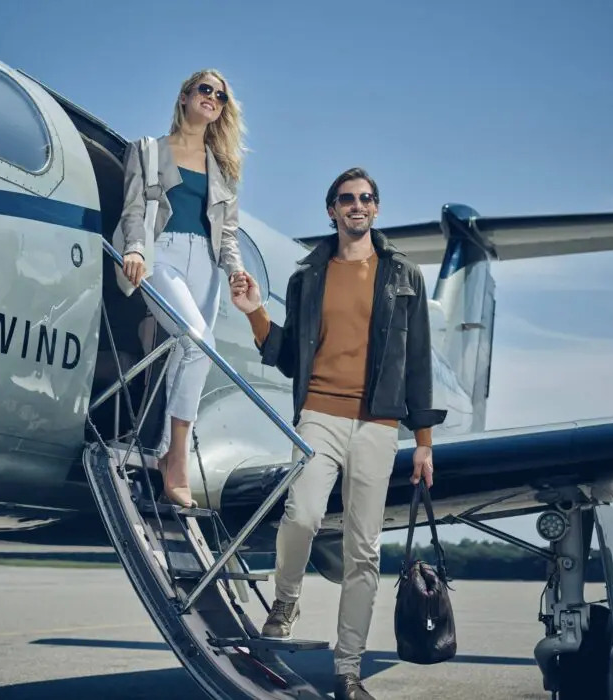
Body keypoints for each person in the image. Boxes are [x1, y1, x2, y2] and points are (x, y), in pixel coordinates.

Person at [229, 168, 447, 700]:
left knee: (363, 551)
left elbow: (417, 361)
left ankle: (347, 669)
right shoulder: (308, 276)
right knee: (301, 514)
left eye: (366, 199)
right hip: (319, 414)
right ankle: (285, 601)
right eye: (346, 199)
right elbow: (289, 356)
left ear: (376, 209)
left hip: (378, 424)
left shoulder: (404, 276)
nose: (357, 206)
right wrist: (255, 312)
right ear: (332, 210)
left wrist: (423, 442)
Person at [116, 69, 246, 508]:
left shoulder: (223, 167)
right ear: (186, 96)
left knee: (189, 354)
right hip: (162, 254)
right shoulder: (148, 150)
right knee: (198, 341)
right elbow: (135, 208)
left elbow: (227, 233)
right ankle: (177, 460)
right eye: (205, 90)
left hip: (206, 268)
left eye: (221, 96)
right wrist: (135, 249)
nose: (213, 98)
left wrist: (235, 271)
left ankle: (163, 448)